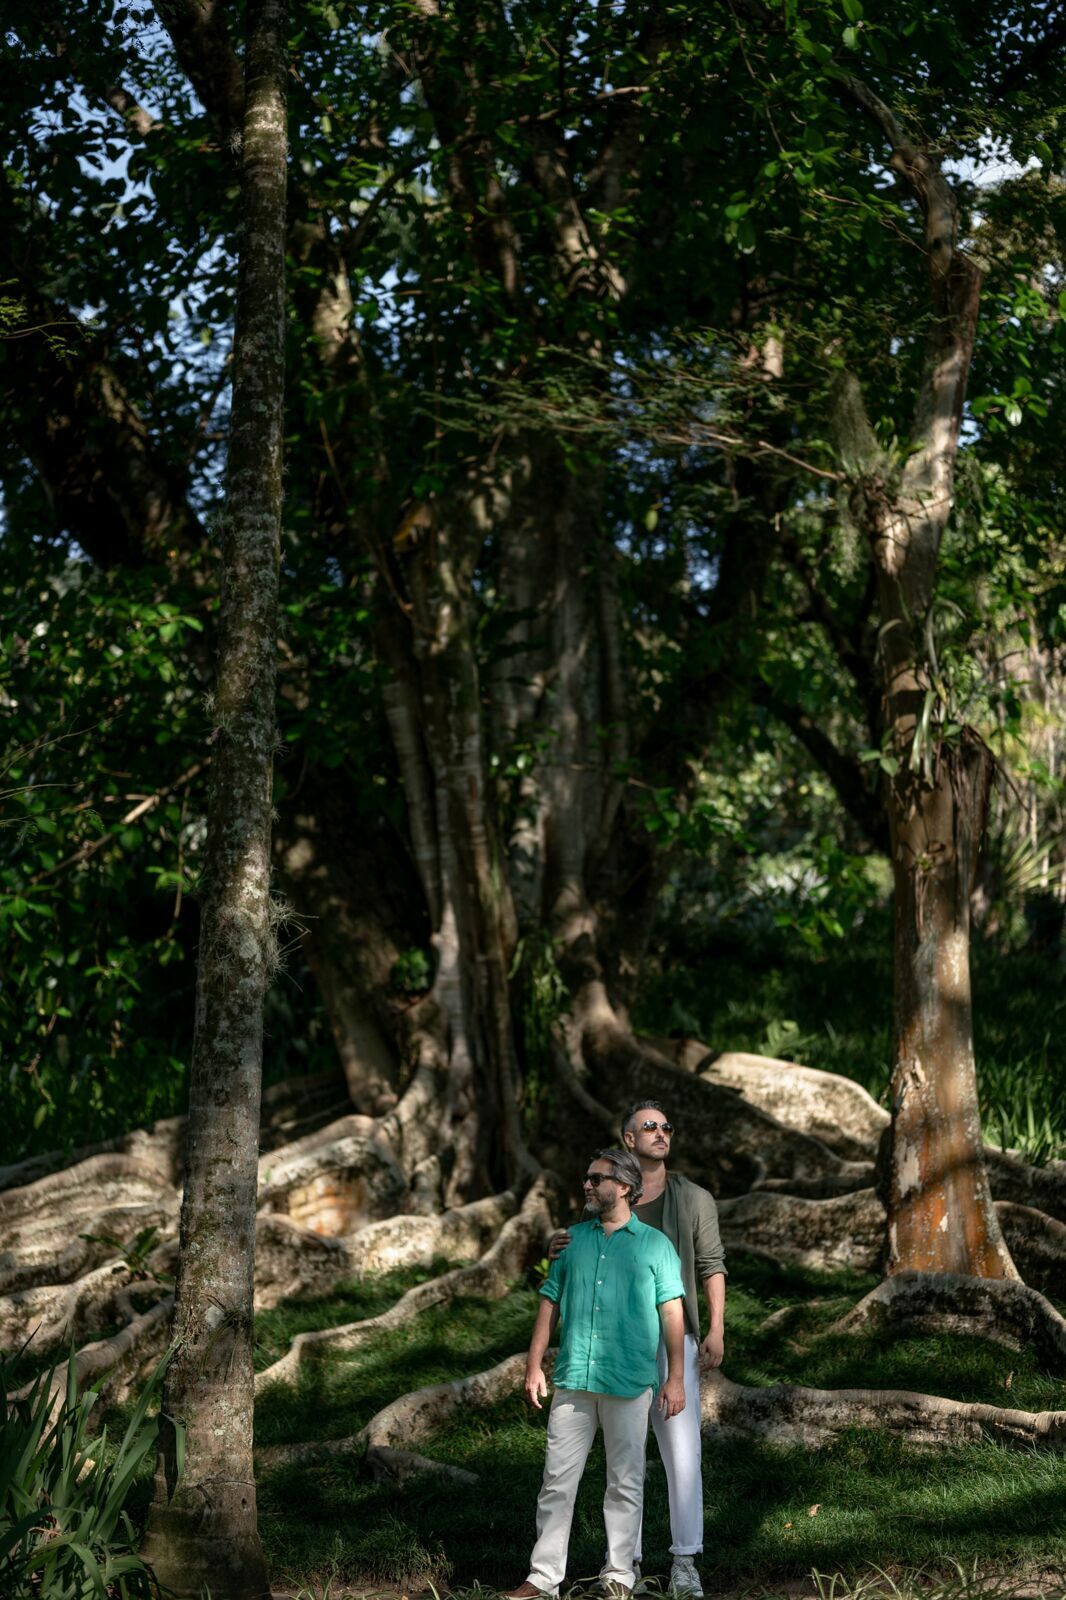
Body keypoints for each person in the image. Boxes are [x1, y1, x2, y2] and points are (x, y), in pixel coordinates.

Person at [549, 1102, 726, 1599]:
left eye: (668, 1126)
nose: (662, 1133)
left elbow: (712, 1264)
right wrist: (552, 1248)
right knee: (624, 1458)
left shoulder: (693, 1199)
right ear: (629, 1139)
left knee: (680, 1451)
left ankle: (684, 1560)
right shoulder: (603, 1192)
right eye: (650, 1126)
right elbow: (574, 1257)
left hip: (675, 1342)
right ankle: (624, 1563)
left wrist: (715, 1329)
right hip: (612, 1345)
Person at [506, 1148, 686, 1600]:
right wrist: (533, 1365)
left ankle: (619, 1576)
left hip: (628, 1381)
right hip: (573, 1381)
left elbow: (672, 1313)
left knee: (625, 1481)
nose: (587, 1185)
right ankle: (543, 1579)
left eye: (596, 1178)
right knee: (556, 1482)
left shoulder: (655, 1246)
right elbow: (549, 1302)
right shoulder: (571, 1241)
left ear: (624, 1186)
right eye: (586, 1178)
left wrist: (676, 1376)